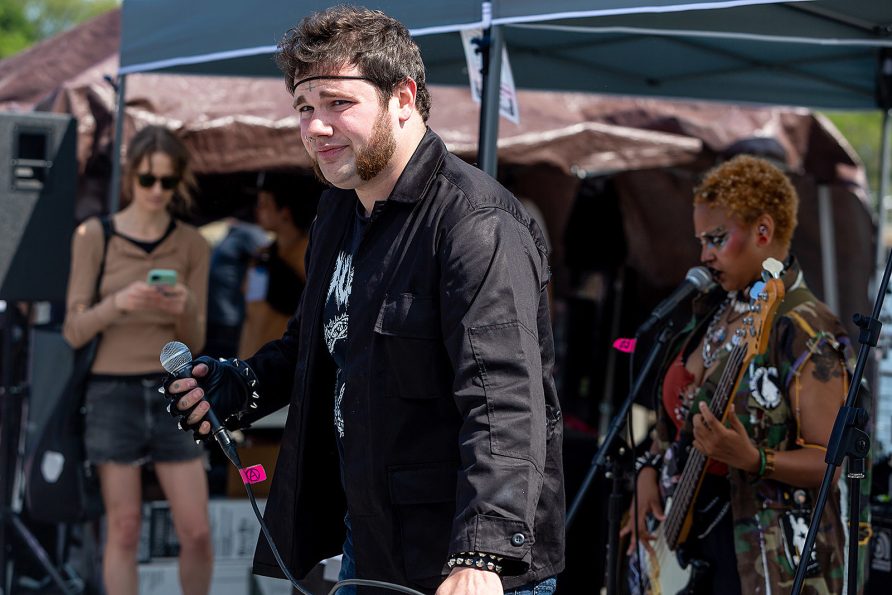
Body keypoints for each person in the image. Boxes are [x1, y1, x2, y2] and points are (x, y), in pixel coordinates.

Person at [164, 6, 564, 595]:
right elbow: (313, 346)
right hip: (370, 546)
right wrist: (241, 386)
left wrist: (482, 552)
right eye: (304, 107)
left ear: (403, 97)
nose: (315, 126)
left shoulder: (476, 224)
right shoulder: (337, 211)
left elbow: (505, 403)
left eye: (338, 103)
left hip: (468, 563)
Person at [620, 155, 869, 594]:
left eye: (716, 238)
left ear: (763, 232)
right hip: (684, 541)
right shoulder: (713, 307)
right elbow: (674, 424)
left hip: (763, 559)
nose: (704, 254)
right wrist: (647, 472)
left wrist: (755, 460)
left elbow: (831, 463)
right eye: (701, 240)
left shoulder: (806, 328)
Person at [64, 125, 213, 595]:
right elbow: (73, 330)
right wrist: (120, 303)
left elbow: (194, 339)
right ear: (131, 177)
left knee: (197, 531)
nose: (156, 191)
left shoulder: (193, 243)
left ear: (180, 182)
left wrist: (184, 305)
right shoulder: (94, 235)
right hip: (110, 390)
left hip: (173, 387)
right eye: (148, 179)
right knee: (123, 527)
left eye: (168, 182)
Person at [238, 171, 316, 358]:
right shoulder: (262, 253)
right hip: (252, 357)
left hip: (285, 362)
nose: (258, 210)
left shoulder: (310, 253)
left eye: (264, 204)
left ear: (285, 212)